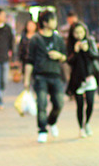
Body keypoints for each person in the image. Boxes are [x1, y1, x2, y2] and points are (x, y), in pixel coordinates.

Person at [25, 11, 67, 143]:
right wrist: (26, 80)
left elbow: (65, 57)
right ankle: (42, 130)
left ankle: (51, 122)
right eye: (53, 20)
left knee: (59, 103)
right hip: (40, 76)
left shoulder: (58, 39)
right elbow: (29, 60)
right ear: (45, 23)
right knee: (41, 104)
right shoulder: (35, 39)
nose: (55, 23)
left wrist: (59, 56)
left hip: (55, 76)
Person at [66, 22, 99, 138]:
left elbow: (95, 56)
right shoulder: (71, 44)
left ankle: (87, 123)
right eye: (76, 33)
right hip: (77, 80)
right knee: (79, 105)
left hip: (89, 77)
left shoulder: (89, 41)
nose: (79, 35)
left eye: (81, 32)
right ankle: (81, 127)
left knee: (90, 103)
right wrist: (75, 51)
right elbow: (69, 61)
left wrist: (87, 50)